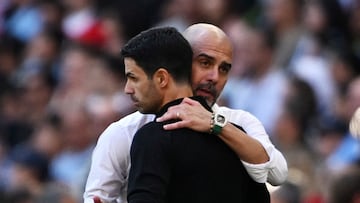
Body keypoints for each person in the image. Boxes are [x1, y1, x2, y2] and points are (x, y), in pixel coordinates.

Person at [83, 23, 288, 203]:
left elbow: (277, 174)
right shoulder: (123, 133)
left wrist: (216, 125)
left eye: (224, 69)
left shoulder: (238, 124)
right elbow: (96, 197)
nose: (214, 77)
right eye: (205, 62)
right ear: (181, 61)